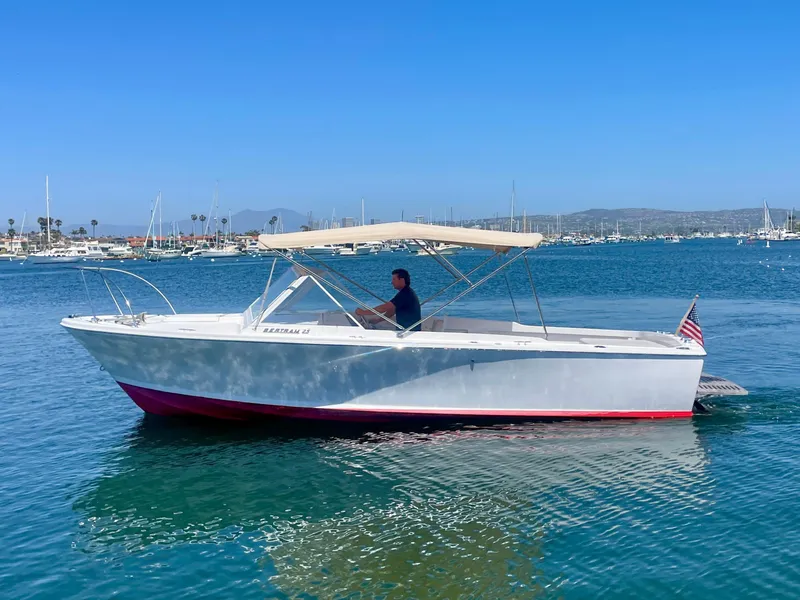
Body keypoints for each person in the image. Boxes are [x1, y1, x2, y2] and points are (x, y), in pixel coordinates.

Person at [355, 268, 421, 331]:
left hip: (409, 332)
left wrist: (363, 312)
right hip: (409, 330)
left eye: (394, 279)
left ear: (402, 280)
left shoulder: (405, 294)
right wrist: (378, 320)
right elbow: (392, 310)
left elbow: (384, 308)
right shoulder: (406, 292)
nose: (392, 282)